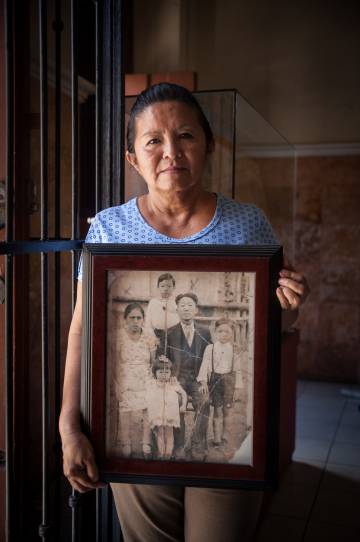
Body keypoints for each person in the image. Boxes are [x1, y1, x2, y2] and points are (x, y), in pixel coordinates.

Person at [60, 82, 309, 542]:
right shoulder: (111, 228)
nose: (171, 151)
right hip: (130, 424)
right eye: (153, 140)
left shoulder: (248, 224)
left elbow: (273, 326)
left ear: (209, 146)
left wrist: (290, 305)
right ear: (133, 158)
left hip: (232, 448)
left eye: (186, 136)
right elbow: (81, 332)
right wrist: (68, 425)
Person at [161, 292, 212, 461]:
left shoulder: (204, 332)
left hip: (198, 378)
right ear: (177, 310)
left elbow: (210, 358)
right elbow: (163, 358)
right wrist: (169, 375)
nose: (186, 308)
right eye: (182, 305)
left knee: (204, 399)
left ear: (196, 310)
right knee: (174, 400)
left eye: (190, 305)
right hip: (177, 379)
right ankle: (179, 445)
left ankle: (198, 444)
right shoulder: (169, 333)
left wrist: (205, 379)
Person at [112, 302, 156, 459]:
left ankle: (146, 442)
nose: (135, 321)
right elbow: (115, 362)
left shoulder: (149, 338)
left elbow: (153, 362)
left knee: (148, 407)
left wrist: (152, 382)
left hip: (145, 378)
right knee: (125, 410)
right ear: (125, 319)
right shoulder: (119, 336)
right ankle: (126, 443)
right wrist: (117, 383)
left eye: (139, 318)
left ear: (143, 319)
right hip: (125, 379)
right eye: (132, 318)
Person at [197, 318, 240, 451]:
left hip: (229, 382)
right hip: (215, 381)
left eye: (227, 332)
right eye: (220, 331)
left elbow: (237, 371)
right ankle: (216, 437)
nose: (223, 334)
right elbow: (205, 365)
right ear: (215, 332)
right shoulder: (210, 348)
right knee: (217, 410)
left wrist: (237, 388)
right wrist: (204, 382)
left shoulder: (234, 350)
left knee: (227, 411)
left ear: (232, 333)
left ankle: (225, 436)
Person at [146, 357, 187, 460]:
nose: (164, 375)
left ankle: (168, 454)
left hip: (170, 414)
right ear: (155, 373)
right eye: (161, 372)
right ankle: (161, 453)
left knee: (169, 433)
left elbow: (183, 393)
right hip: (159, 414)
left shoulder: (172, 383)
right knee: (159, 433)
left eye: (167, 372)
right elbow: (146, 394)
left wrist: (183, 405)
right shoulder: (152, 384)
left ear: (170, 372)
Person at [144, 272, 179, 338]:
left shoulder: (177, 302)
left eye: (169, 286)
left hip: (174, 334)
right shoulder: (153, 302)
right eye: (162, 286)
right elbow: (148, 321)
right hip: (157, 334)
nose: (166, 289)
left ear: (174, 287)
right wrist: (151, 335)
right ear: (158, 287)